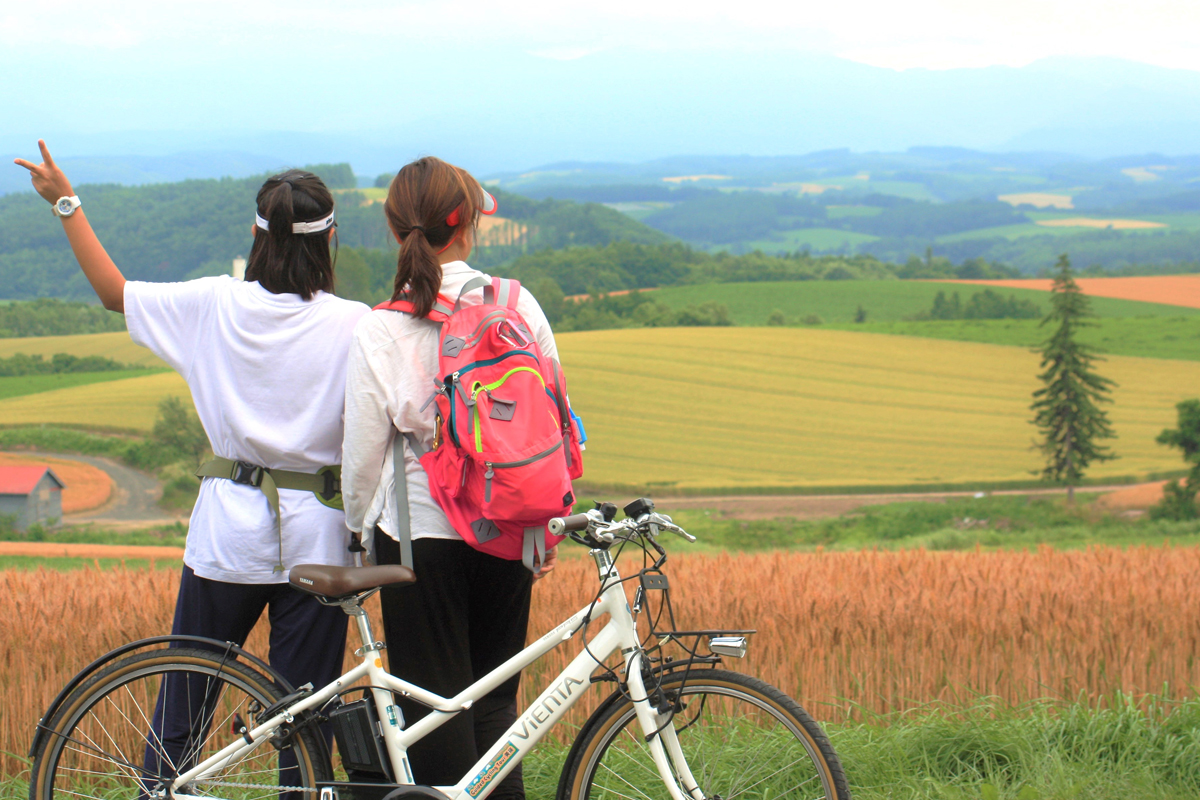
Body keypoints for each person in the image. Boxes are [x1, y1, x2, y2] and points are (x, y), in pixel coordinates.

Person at [15, 141, 370, 780]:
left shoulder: (212, 304)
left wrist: (66, 204)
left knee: (183, 707)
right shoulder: (355, 323)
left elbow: (115, 294)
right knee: (305, 724)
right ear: (330, 240)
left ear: (256, 236)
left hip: (227, 531)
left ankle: (161, 794)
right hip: (320, 536)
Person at [341, 156, 560, 799]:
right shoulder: (517, 305)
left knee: (435, 709)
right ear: (468, 227)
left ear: (394, 230)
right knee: (496, 707)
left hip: (420, 540)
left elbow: (362, 456)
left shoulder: (382, 327)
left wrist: (357, 533)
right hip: (508, 527)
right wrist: (544, 523)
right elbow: (551, 419)